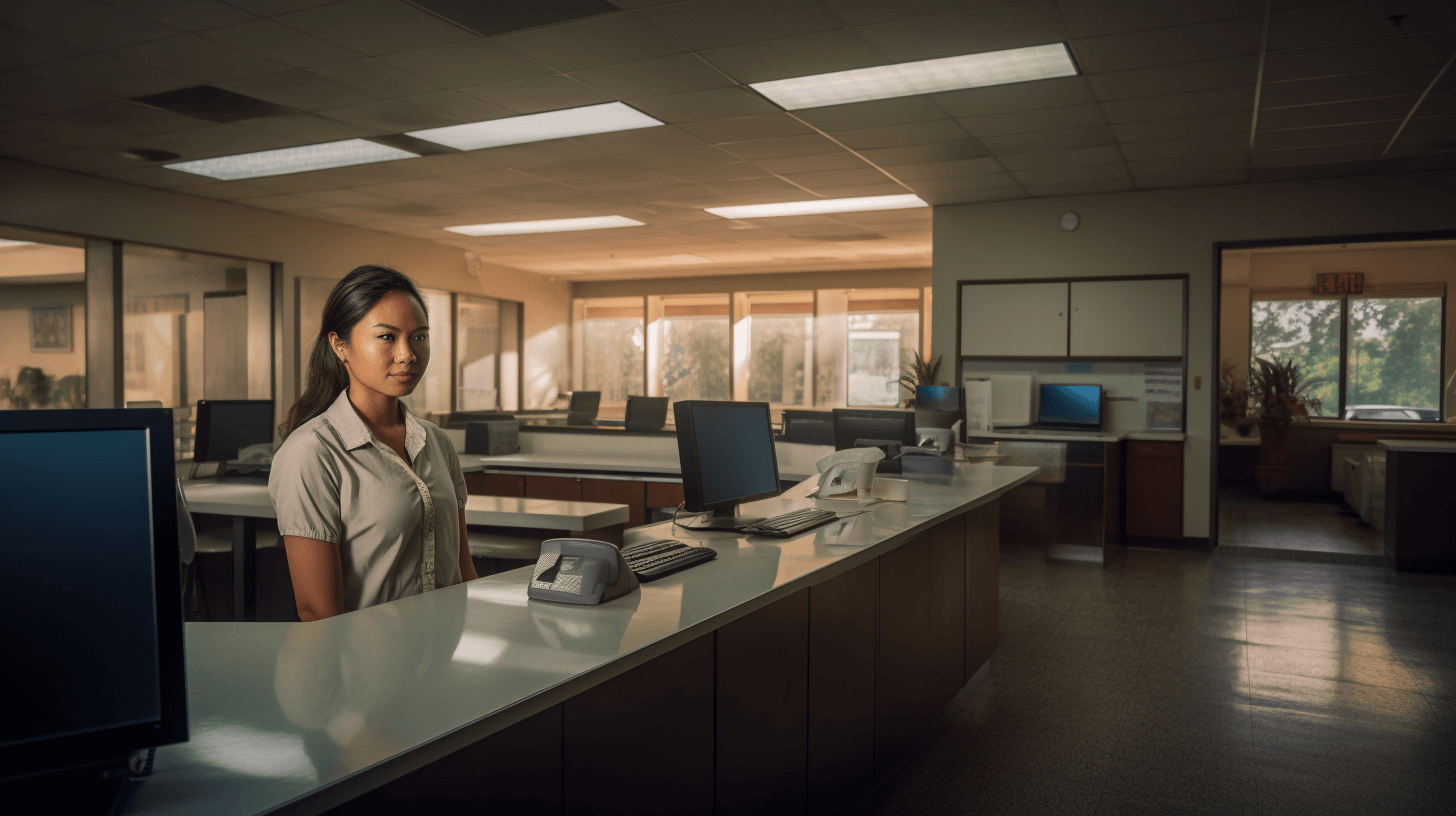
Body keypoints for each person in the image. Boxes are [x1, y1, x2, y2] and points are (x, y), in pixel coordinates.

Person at [270, 265, 477, 621]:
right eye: (386, 337)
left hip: (446, 659)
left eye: (419, 337)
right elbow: (318, 611)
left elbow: (463, 572)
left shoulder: (436, 442)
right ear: (340, 345)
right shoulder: (311, 452)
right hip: (368, 667)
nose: (407, 354)